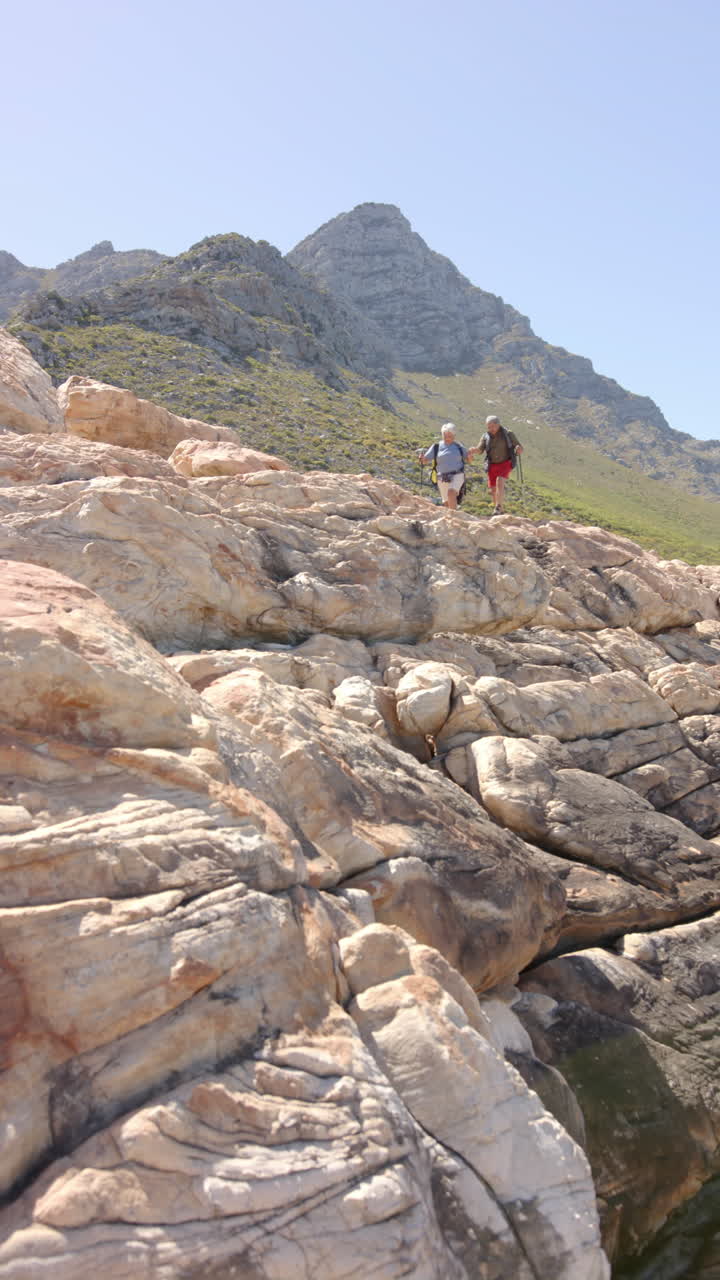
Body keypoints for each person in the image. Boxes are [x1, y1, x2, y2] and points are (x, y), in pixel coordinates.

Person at [416, 422, 478, 510]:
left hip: (457, 474)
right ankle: (451, 517)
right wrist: (422, 458)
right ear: (442, 435)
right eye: (445, 436)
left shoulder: (459, 446)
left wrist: (470, 456)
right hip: (442, 477)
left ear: (454, 436)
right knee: (446, 502)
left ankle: (453, 517)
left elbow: (468, 459)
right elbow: (425, 460)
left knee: (451, 493)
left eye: (450, 436)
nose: (448, 438)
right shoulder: (436, 447)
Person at [476, 415, 523, 514]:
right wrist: (474, 450)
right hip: (492, 464)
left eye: (493, 426)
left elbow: (519, 446)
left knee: (500, 480)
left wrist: (518, 449)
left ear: (498, 424)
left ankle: (498, 506)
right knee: (493, 489)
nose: (491, 429)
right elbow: (480, 449)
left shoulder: (508, 433)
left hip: (505, 462)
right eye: (489, 427)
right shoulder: (485, 436)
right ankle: (498, 511)